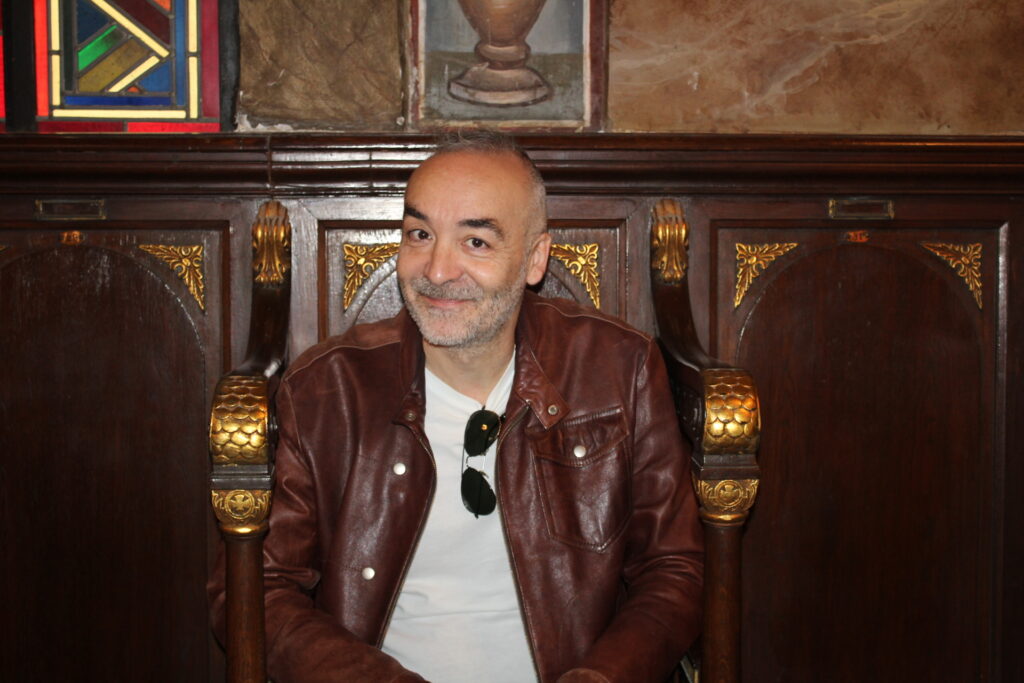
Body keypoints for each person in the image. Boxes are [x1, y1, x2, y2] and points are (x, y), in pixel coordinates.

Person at [210, 131, 704, 683]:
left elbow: (674, 570)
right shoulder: (328, 390)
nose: (438, 270)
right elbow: (251, 591)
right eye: (420, 234)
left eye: (476, 241)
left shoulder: (618, 368)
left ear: (534, 259)